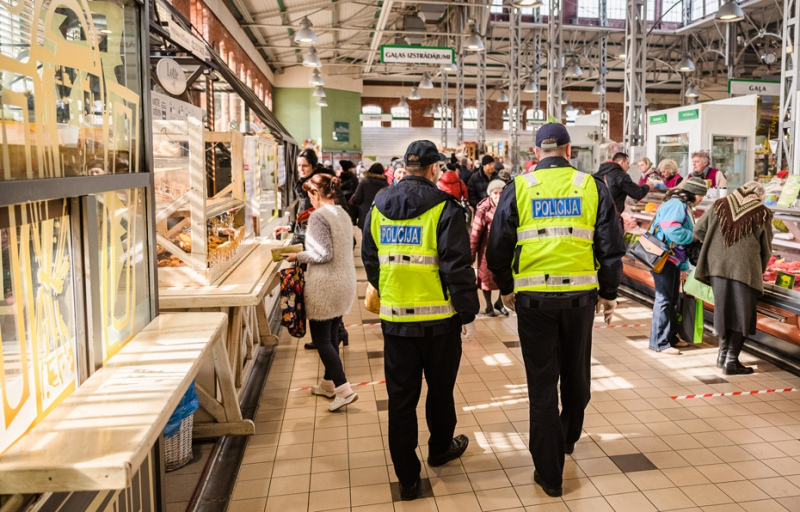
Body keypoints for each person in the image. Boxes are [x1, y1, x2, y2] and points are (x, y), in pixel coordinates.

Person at [486, 123, 625, 498]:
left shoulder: (520, 187)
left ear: (535, 153)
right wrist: (609, 292)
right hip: (581, 298)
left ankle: (550, 474)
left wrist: (506, 287)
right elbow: (611, 245)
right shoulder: (592, 186)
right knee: (576, 373)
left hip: (534, 300)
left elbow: (497, 245)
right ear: (568, 151)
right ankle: (566, 437)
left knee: (542, 383)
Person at [361, 140, 480, 501]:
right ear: (433, 169)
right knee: (440, 391)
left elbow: (370, 259)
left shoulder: (378, 206)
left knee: (400, 399)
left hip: (395, 321)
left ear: (405, 167)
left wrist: (392, 292)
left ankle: (408, 478)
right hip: (440, 322)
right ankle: (440, 448)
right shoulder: (445, 208)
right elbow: (457, 266)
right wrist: (467, 313)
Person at [281, 174, 358, 411]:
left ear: (316, 194)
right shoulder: (342, 214)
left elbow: (321, 254)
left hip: (326, 284)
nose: (309, 200)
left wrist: (296, 256)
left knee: (322, 338)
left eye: (309, 194)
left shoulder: (319, 217)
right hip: (345, 282)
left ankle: (344, 389)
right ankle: (328, 384)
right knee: (332, 331)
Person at [693, 181, 773, 375]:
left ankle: (722, 356)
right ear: (758, 196)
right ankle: (731, 361)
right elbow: (766, 247)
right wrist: (759, 269)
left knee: (724, 310)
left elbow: (698, 231)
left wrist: (717, 246)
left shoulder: (720, 204)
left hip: (717, 266)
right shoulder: (761, 212)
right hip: (744, 269)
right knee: (741, 314)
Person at [273, 149, 348, 351]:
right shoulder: (308, 184)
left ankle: (334, 333)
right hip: (311, 239)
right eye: (298, 166)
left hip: (318, 244)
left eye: (304, 165)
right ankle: (334, 335)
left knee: (326, 295)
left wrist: (300, 251)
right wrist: (291, 227)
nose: (301, 169)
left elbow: (331, 213)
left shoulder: (321, 185)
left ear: (314, 165)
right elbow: (304, 212)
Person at [647, 177, 708, 355]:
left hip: (672, 259)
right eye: (701, 196)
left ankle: (671, 337)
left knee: (672, 299)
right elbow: (671, 230)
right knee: (664, 299)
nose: (701, 200)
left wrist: (682, 268)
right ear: (695, 193)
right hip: (663, 258)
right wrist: (693, 236)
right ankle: (660, 342)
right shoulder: (676, 204)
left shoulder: (682, 205)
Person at [471, 179, 508, 317]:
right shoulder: (483, 208)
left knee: (504, 278)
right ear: (490, 194)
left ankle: (499, 302)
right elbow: (475, 233)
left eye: (501, 192)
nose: (498, 196)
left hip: (504, 248)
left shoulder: (508, 205)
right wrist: (471, 255)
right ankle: (488, 305)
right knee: (486, 278)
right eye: (495, 193)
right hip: (487, 249)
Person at [350, 163, 389, 230]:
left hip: (364, 215)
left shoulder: (364, 182)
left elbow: (357, 199)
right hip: (380, 215)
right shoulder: (386, 185)